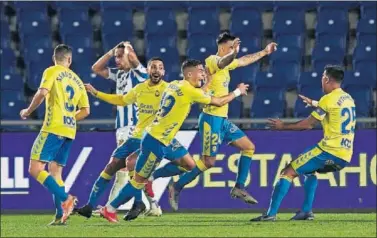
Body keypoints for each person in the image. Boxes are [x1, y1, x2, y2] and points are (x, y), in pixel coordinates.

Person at [99, 59, 249, 223]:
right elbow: (218, 101)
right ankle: (111, 209)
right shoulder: (190, 91)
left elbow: (197, 94)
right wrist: (237, 91)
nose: (203, 73)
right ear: (189, 74)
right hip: (156, 140)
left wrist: (208, 82)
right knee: (138, 181)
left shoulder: (176, 84)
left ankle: (115, 205)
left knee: (175, 168)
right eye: (200, 71)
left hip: (155, 137)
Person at [167, 32, 277, 210]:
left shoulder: (228, 63)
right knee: (208, 162)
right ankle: (176, 186)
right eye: (231, 46)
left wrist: (264, 52)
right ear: (224, 47)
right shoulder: (212, 60)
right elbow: (223, 61)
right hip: (211, 118)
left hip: (222, 119)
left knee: (249, 147)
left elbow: (243, 60)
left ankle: (239, 187)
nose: (235, 50)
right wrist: (233, 53)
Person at [75, 57, 195, 219]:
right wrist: (96, 93)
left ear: (164, 72)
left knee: (184, 165)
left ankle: (141, 200)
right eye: (153, 67)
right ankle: (90, 206)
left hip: (159, 138)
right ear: (147, 71)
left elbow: (189, 95)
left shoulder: (170, 89)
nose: (156, 70)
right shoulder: (140, 89)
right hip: (136, 136)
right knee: (112, 166)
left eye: (160, 68)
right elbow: (122, 100)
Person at [250, 65, 356, 221]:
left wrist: (282, 126)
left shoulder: (328, 99)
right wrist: (314, 103)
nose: (321, 80)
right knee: (308, 171)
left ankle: (270, 214)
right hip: (345, 156)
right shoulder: (348, 98)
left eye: (322, 77)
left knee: (287, 172)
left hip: (329, 150)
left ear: (326, 79)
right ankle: (306, 211)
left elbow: (307, 125)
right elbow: (332, 108)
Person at [21, 44, 90, 225]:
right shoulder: (77, 80)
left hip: (53, 127)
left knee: (35, 169)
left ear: (54, 58)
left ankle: (66, 199)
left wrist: (28, 111)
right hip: (69, 130)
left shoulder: (52, 71)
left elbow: (42, 93)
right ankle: (60, 215)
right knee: (56, 173)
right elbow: (86, 111)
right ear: (69, 59)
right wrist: (70, 117)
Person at [91, 42, 160, 215]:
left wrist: (128, 50)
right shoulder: (119, 75)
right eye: (116, 56)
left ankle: (109, 207)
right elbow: (96, 68)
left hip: (134, 126)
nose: (117, 59)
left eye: (120, 56)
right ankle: (153, 205)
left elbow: (136, 62)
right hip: (121, 126)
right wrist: (111, 51)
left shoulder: (140, 73)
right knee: (134, 169)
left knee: (122, 168)